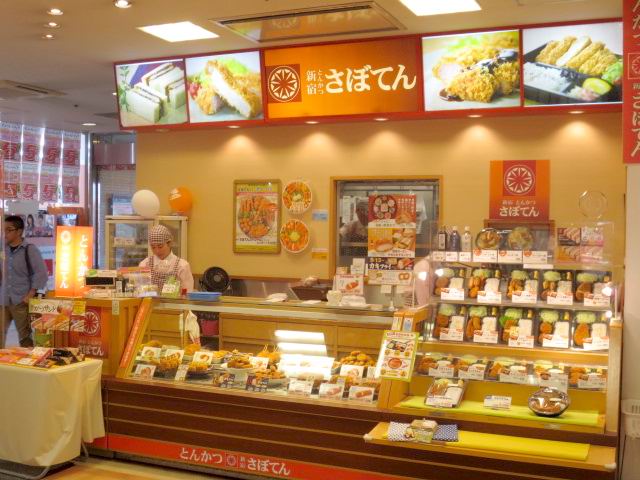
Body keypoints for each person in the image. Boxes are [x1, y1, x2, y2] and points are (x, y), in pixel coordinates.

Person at [2, 215, 49, 347]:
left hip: (21, 301)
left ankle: (27, 359)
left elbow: (41, 273)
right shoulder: (2, 249)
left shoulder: (30, 249)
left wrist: (30, 294)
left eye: (9, 230)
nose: (5, 233)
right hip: (3, 300)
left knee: (25, 337)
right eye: (3, 230)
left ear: (19, 231)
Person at [139, 225, 194, 293]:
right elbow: (140, 290)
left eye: (160, 247)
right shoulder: (145, 264)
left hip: (174, 300)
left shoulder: (182, 266)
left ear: (169, 243)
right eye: (153, 247)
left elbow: (188, 293)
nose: (157, 251)